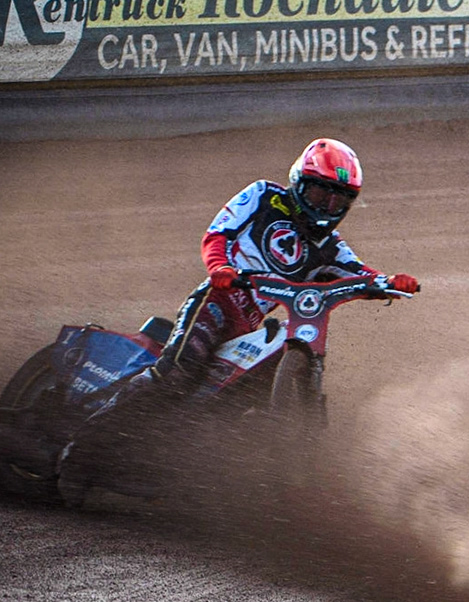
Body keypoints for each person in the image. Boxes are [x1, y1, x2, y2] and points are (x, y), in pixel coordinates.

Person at [59, 139, 418, 486]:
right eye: (319, 193)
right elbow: (218, 234)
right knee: (177, 374)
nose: (327, 205)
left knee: (245, 393)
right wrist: (220, 268)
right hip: (216, 302)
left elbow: (359, 274)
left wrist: (389, 282)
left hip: (247, 328)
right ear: (298, 182)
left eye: (339, 199)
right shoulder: (263, 195)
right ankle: (81, 449)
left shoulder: (330, 248)